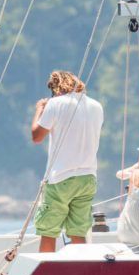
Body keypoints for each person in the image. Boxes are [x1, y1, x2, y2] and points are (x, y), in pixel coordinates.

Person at [31, 70, 104, 253]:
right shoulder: (96, 105)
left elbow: (36, 136)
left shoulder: (55, 103)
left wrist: (39, 109)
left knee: (49, 231)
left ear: (56, 88)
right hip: (88, 176)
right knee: (78, 231)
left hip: (61, 177)